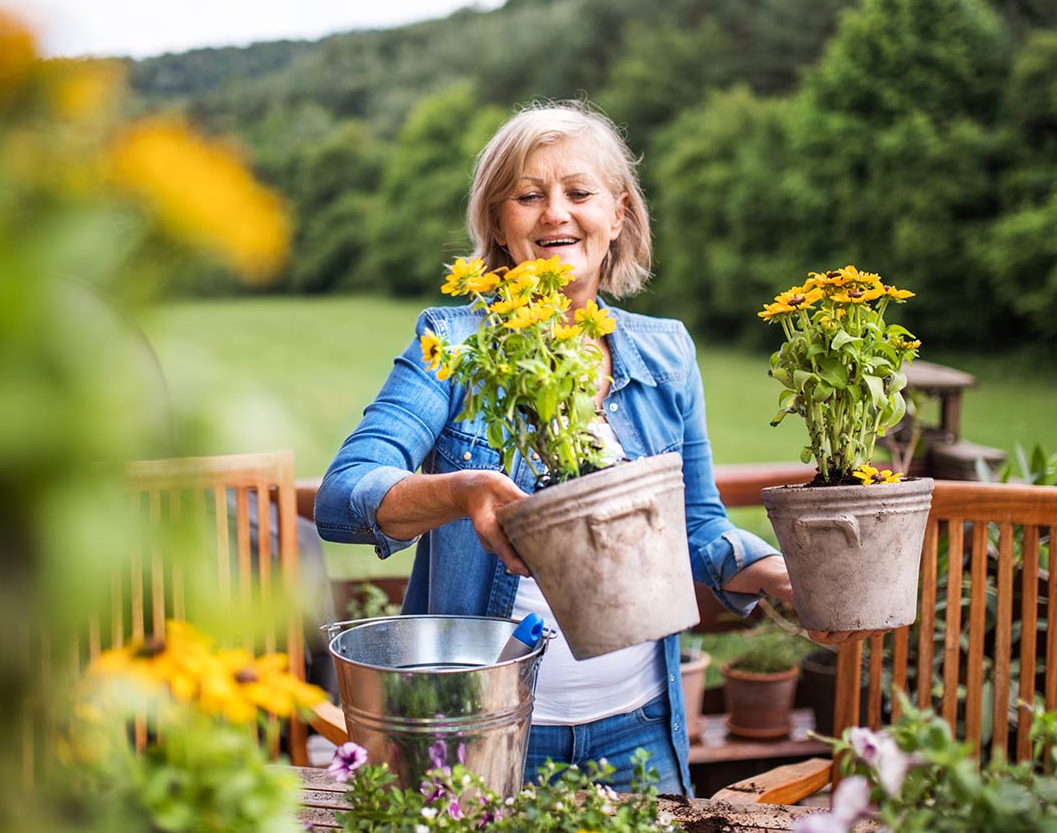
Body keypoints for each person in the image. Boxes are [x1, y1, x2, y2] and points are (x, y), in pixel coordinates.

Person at [315, 101, 857, 796]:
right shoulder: (451, 344)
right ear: (497, 224)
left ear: (618, 213)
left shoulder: (667, 354)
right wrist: (461, 491)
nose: (555, 214)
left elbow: (695, 524)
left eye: (578, 192)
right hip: (489, 731)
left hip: (639, 728)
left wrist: (783, 576)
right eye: (527, 196)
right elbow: (343, 495)